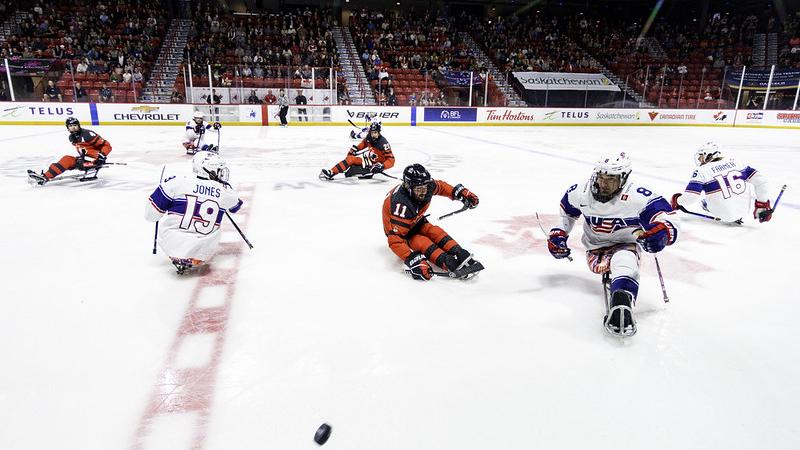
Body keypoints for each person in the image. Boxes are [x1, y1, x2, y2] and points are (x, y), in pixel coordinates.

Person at [547, 152, 679, 337]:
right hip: (594, 248)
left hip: (625, 243)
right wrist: (558, 234)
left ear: (624, 178)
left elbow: (669, 221)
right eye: (601, 177)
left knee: (624, 259)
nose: (604, 184)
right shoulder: (579, 191)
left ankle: (623, 299)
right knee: (614, 261)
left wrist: (662, 234)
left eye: (611, 179)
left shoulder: (638, 195)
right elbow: (566, 215)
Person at [144, 151, 244, 274]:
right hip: (204, 249)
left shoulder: (175, 182)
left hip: (170, 242)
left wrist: (161, 192)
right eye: (218, 169)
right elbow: (236, 206)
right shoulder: (225, 192)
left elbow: (150, 216)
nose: (221, 173)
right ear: (209, 171)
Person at [382, 164, 481, 281]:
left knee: (434, 231)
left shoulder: (426, 186)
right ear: (408, 186)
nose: (423, 192)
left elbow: (441, 186)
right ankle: (446, 261)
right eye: (419, 189)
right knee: (421, 242)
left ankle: (459, 252)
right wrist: (412, 259)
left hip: (416, 220)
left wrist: (459, 192)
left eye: (425, 187)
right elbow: (395, 240)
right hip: (402, 232)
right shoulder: (401, 205)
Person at [671, 142, 772, 224]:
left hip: (721, 214)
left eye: (701, 156)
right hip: (744, 211)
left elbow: (690, 198)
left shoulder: (702, 171)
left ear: (710, 155)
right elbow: (761, 182)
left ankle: (715, 207)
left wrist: (677, 200)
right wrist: (762, 205)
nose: (700, 160)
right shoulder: (738, 162)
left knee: (705, 200)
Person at [28, 117, 112, 185]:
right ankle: (45, 177)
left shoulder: (88, 134)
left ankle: (46, 177)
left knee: (71, 161)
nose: (73, 127)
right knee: (66, 159)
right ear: (67, 128)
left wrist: (101, 157)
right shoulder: (71, 137)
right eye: (70, 126)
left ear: (79, 125)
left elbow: (107, 145)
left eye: (75, 125)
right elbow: (83, 150)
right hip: (84, 159)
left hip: (95, 160)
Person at [320, 121, 394, 180]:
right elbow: (364, 143)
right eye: (372, 132)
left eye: (375, 133)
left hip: (374, 166)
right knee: (350, 159)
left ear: (379, 132)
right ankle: (332, 172)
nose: (373, 135)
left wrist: (382, 166)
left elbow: (391, 160)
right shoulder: (369, 137)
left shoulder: (383, 143)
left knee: (350, 161)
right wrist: (357, 148)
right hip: (368, 161)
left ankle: (332, 172)